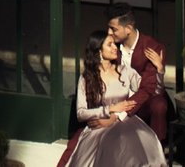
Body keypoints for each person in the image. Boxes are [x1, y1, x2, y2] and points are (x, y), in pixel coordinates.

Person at [61, 30, 168, 167]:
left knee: (127, 142)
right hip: (99, 126)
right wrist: (110, 109)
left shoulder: (126, 71)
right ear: (98, 50)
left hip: (127, 122)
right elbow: (81, 113)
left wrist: (160, 70)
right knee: (110, 145)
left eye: (115, 44)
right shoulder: (86, 78)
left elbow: (152, 92)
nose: (115, 48)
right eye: (110, 45)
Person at [105, 2, 169, 141]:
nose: (109, 32)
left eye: (113, 29)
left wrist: (120, 113)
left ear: (128, 28)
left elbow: (147, 90)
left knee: (159, 105)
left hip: (140, 104)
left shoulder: (152, 48)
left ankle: (157, 152)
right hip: (114, 100)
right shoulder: (110, 45)